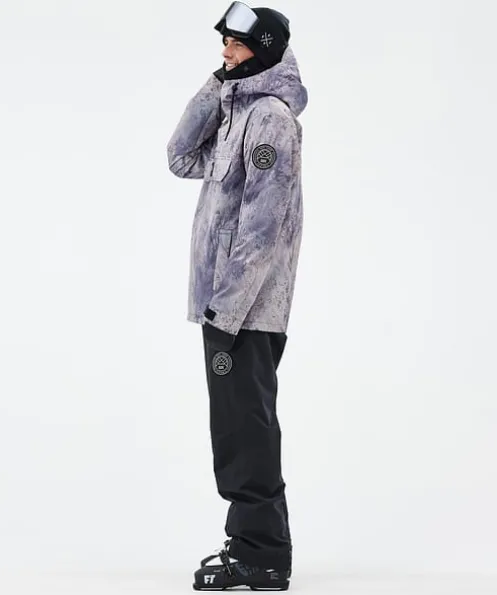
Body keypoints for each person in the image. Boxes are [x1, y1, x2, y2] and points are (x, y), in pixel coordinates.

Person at [166, 1, 308, 590]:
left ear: (265, 51)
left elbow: (263, 227)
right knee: (234, 428)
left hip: (243, 312)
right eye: (224, 42)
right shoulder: (236, 111)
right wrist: (219, 84)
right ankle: (252, 544)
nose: (225, 51)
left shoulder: (271, 120)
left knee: (244, 429)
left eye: (238, 44)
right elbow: (179, 157)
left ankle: (263, 555)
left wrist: (225, 311)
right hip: (223, 307)